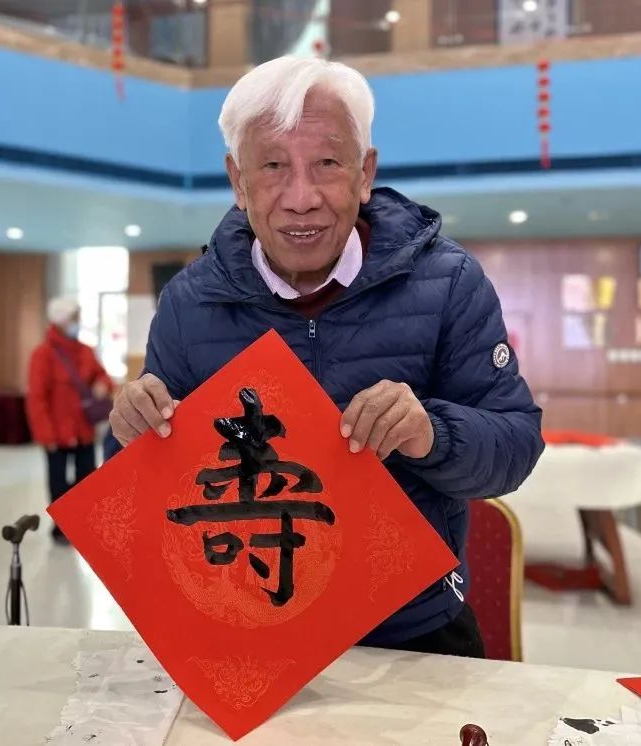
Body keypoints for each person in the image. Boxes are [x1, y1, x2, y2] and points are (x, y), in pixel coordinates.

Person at [105, 56, 545, 656]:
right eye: (273, 167)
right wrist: (129, 434)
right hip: (247, 631)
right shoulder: (190, 302)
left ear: (365, 174)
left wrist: (430, 434)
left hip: (412, 630)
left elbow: (516, 445)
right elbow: (147, 489)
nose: (302, 198)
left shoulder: (448, 283)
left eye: (327, 164)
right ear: (238, 181)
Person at [26, 297, 114, 543]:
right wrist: (46, 436)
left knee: (86, 479)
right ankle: (61, 527)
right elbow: (37, 398)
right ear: (62, 321)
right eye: (74, 318)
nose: (78, 322)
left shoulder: (85, 351)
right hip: (56, 433)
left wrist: (102, 384)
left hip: (84, 430)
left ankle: (80, 522)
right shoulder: (43, 355)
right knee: (58, 482)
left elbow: (104, 376)